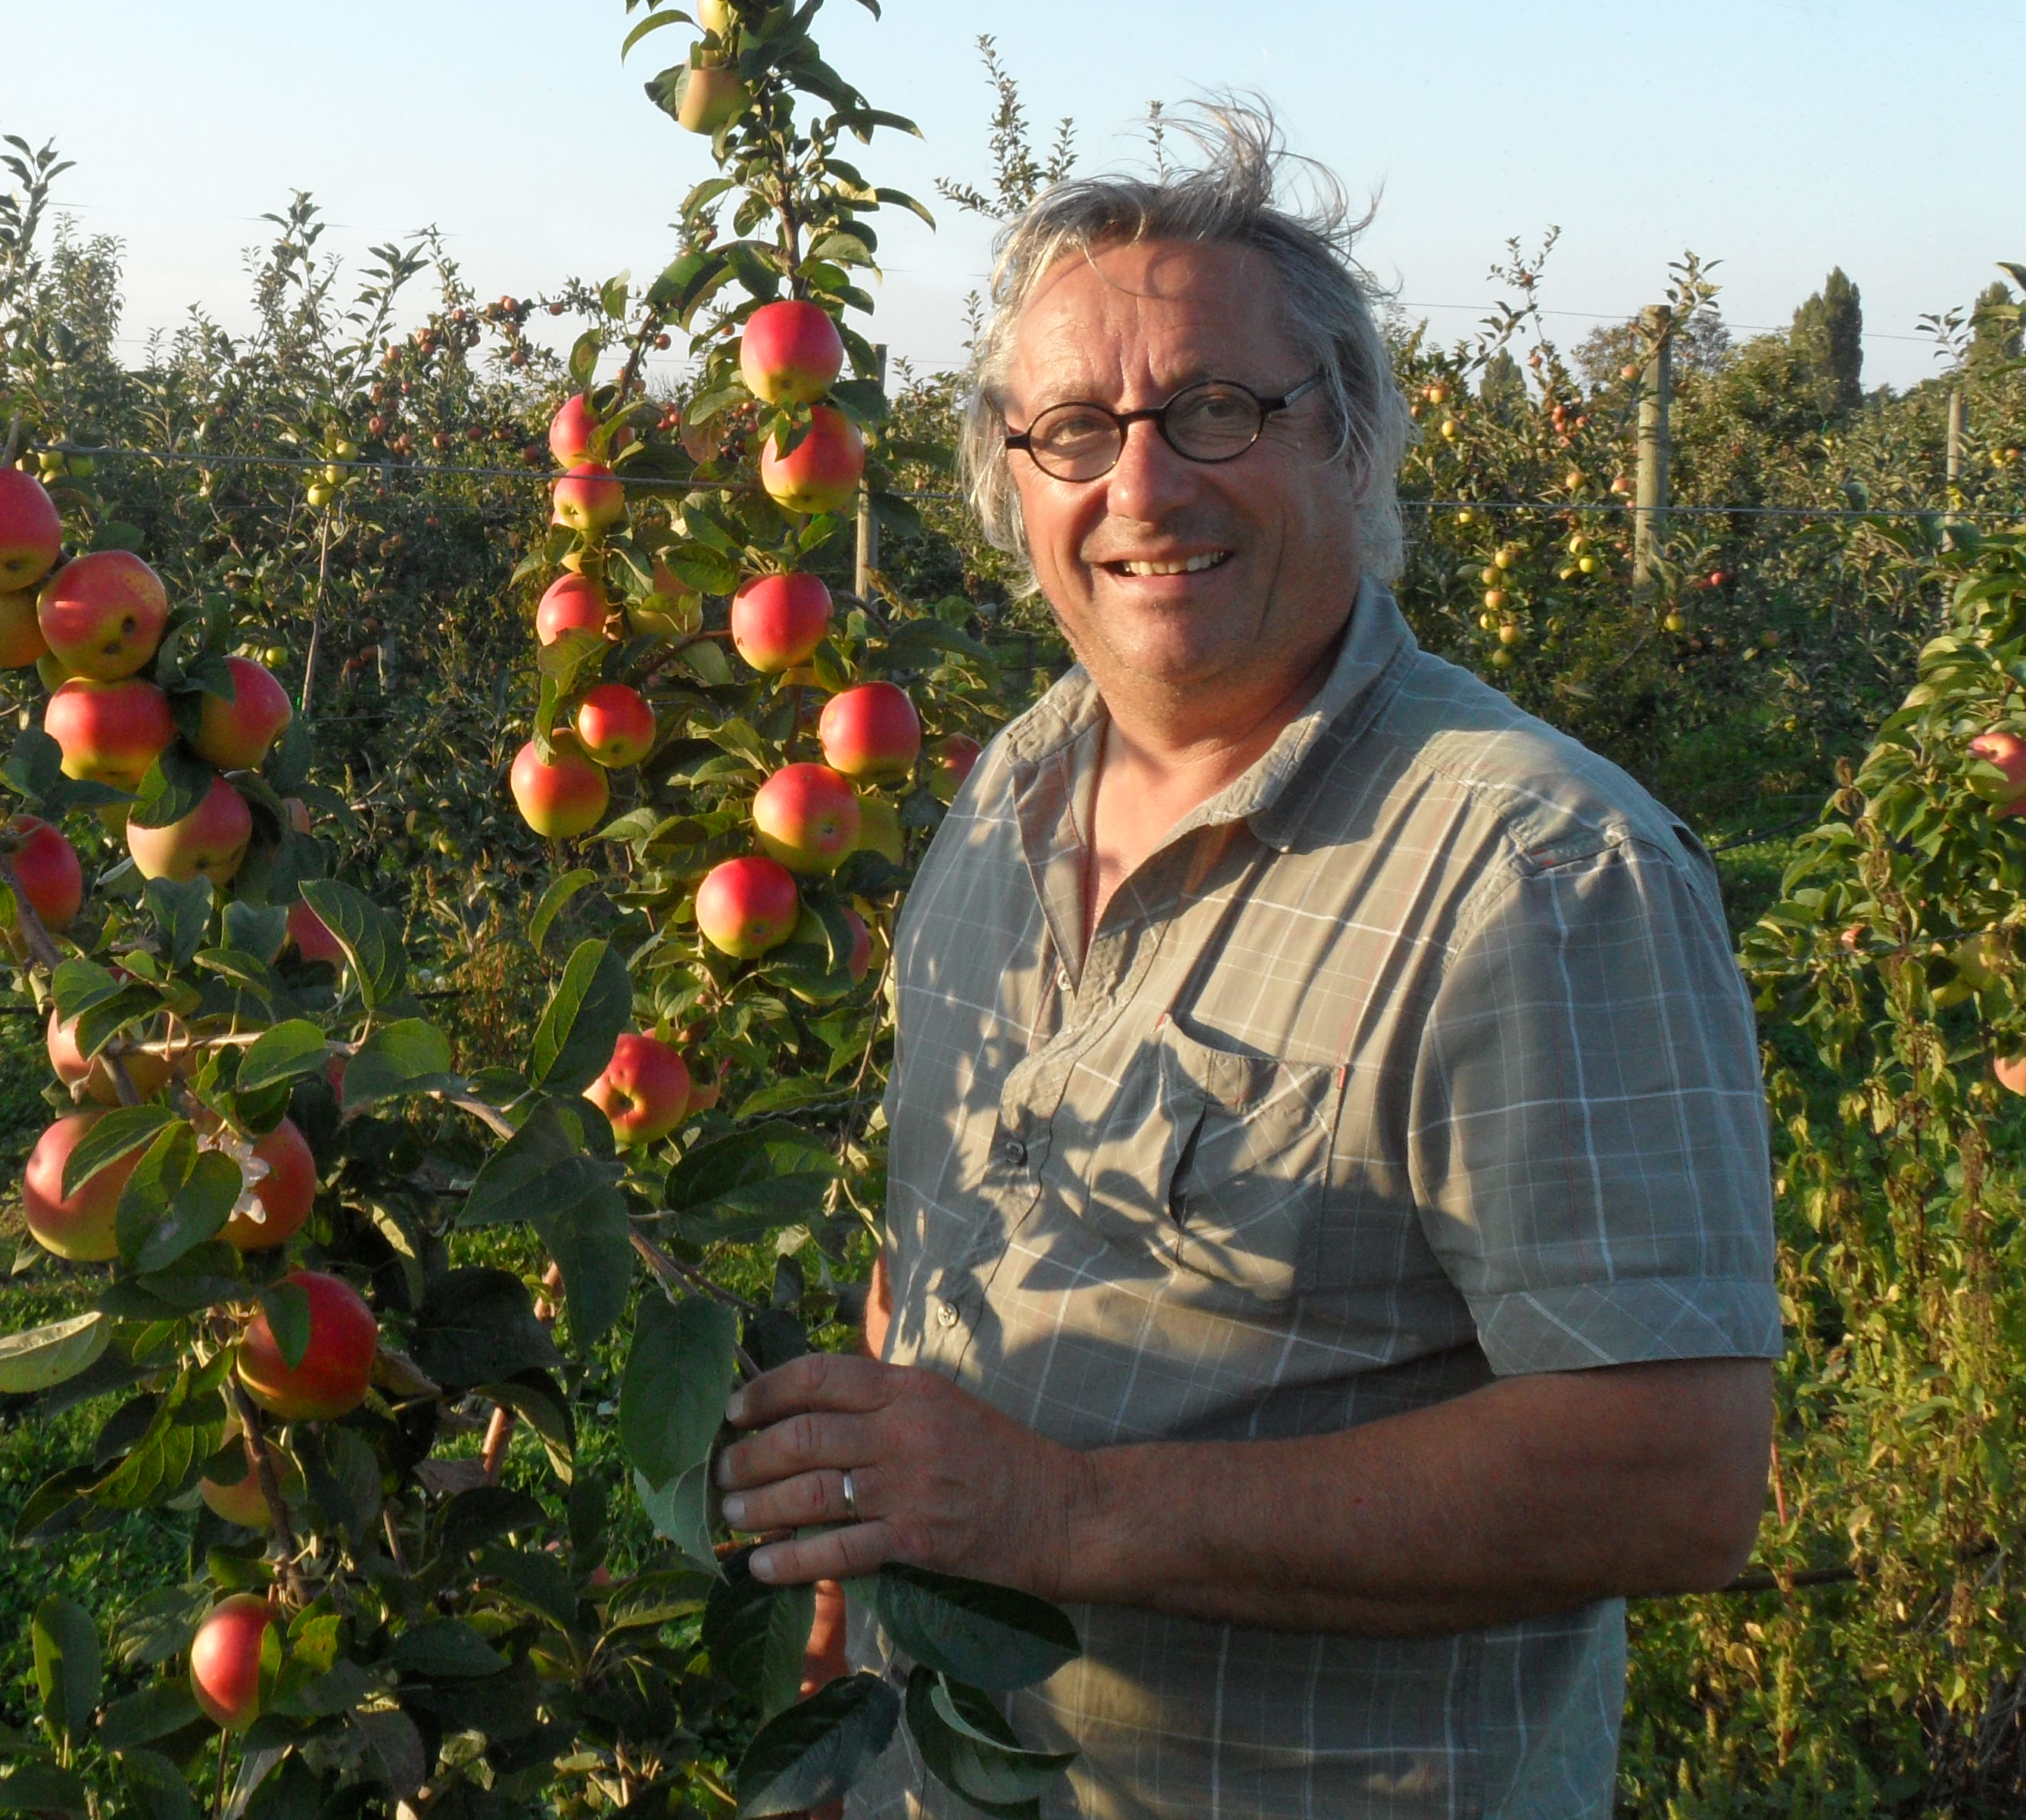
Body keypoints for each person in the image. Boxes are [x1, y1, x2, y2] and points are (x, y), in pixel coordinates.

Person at [712, 104, 1780, 1819]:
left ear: (1347, 444)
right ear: (1010, 482)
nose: (1139, 481)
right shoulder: (997, 801)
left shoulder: (1532, 871)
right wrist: (854, 1659)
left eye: (1215, 409)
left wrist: (1059, 1514)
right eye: (1072, 428)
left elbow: (1665, 1475)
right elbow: (938, 1250)